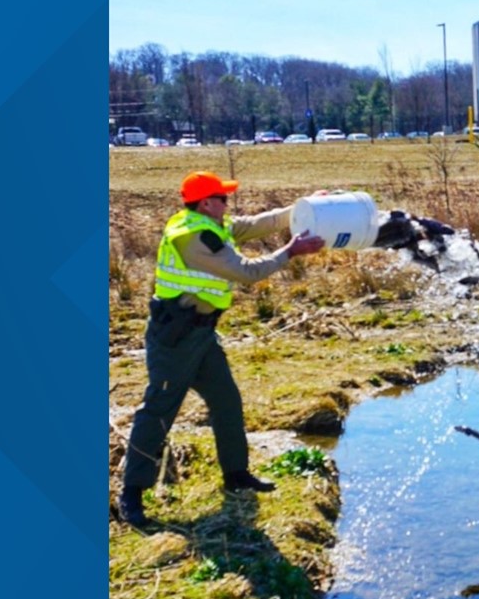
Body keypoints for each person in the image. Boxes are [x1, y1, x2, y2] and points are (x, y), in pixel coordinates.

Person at [118, 170, 326, 527]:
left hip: (200, 335)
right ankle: (131, 495)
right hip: (175, 339)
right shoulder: (194, 235)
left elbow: (260, 223)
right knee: (158, 411)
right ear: (206, 203)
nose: (228, 204)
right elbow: (245, 272)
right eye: (223, 198)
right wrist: (290, 252)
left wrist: (305, 208)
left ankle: (235, 475)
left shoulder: (211, 223)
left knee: (226, 401)